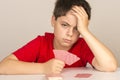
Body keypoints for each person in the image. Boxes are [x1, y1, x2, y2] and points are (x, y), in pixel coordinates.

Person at [0, 0, 118, 75]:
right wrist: (43, 68)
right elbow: (3, 66)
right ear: (53, 20)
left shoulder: (82, 45)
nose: (70, 33)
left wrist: (85, 31)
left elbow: (110, 66)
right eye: (64, 25)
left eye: (77, 28)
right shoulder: (41, 43)